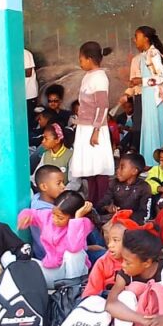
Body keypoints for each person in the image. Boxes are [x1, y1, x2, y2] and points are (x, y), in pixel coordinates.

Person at [69, 42, 115, 205]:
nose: (80, 62)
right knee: (89, 166)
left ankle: (101, 200)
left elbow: (102, 106)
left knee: (99, 166)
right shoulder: (88, 76)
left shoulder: (100, 77)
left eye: (81, 59)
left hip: (94, 127)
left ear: (89, 59)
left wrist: (96, 130)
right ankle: (92, 199)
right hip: (85, 126)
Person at [17, 190, 93, 286]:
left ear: (72, 217)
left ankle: (73, 290)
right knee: (24, 266)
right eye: (54, 214)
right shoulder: (47, 216)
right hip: (54, 269)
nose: (54, 219)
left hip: (75, 273)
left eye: (60, 217)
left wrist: (77, 219)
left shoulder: (82, 223)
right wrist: (26, 216)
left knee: (73, 254)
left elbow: (74, 248)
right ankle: (62, 289)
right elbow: (32, 213)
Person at [128, 26, 163, 168]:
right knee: (148, 127)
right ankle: (149, 160)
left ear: (146, 38)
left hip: (153, 96)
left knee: (152, 128)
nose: (134, 40)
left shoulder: (153, 53)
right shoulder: (146, 54)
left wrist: (142, 81)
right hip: (147, 95)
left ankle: (153, 162)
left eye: (137, 36)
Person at [83, 210, 133, 298]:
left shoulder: (137, 262)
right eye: (109, 240)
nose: (110, 245)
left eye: (115, 240)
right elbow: (91, 292)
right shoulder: (103, 262)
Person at [98, 152, 152, 222]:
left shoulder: (144, 187)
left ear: (134, 171)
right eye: (118, 167)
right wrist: (107, 208)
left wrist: (124, 217)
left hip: (133, 223)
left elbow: (145, 214)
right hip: (115, 219)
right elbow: (101, 205)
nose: (117, 170)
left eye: (122, 167)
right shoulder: (114, 183)